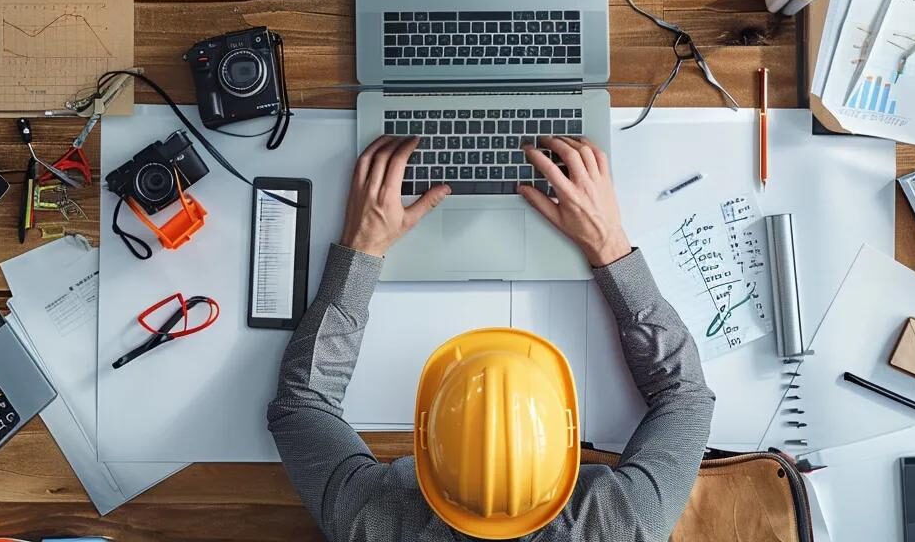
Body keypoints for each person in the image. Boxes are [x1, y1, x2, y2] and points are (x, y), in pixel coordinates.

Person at [268, 134, 715, 541]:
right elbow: (685, 396)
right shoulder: (624, 523)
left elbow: (301, 403)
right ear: (568, 438)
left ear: (423, 436)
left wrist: (360, 249)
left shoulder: (374, 521)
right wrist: (610, 244)